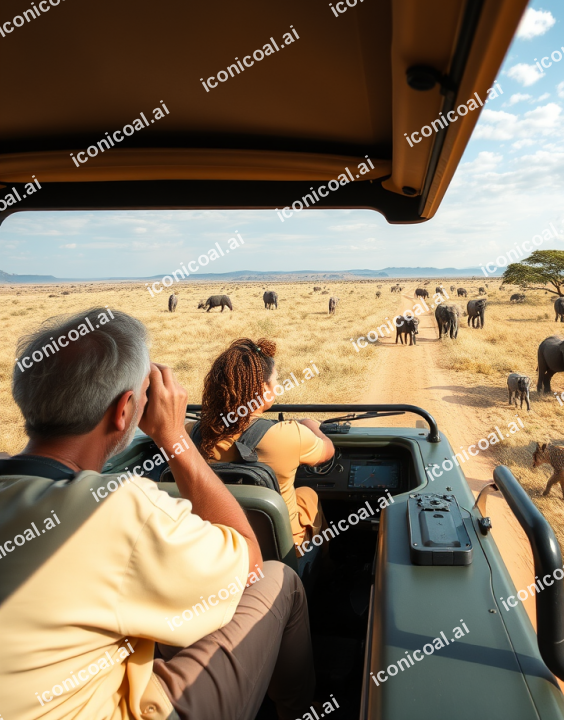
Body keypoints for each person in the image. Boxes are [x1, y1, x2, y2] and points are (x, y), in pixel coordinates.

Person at [0, 308, 314, 720]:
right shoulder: (115, 506)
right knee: (280, 579)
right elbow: (250, 565)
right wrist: (173, 435)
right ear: (125, 409)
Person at [186, 338, 335, 556]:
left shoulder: (190, 434)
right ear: (263, 388)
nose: (277, 385)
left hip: (213, 550)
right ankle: (320, 572)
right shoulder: (290, 435)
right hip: (278, 552)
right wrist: (312, 426)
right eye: (276, 380)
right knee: (308, 495)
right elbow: (327, 451)